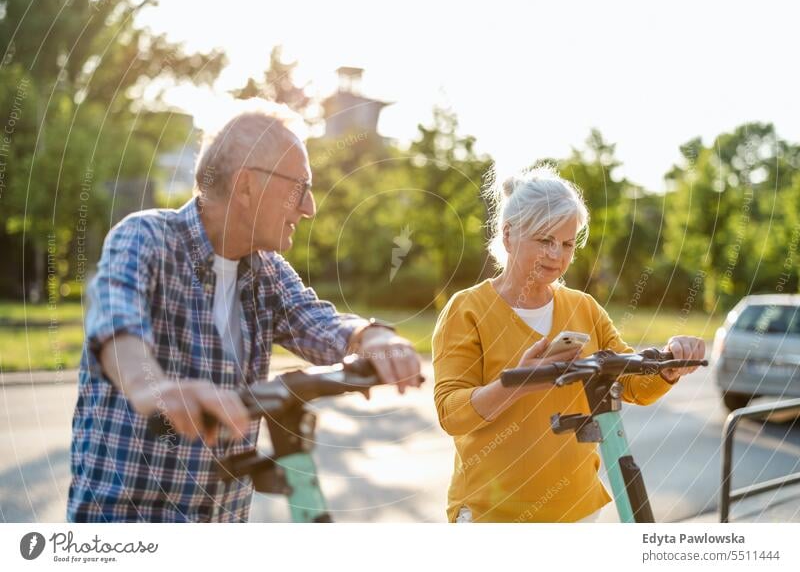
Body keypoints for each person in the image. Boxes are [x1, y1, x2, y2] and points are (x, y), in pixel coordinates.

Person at [68, 101, 423, 522]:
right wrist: (152, 387)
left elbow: (320, 322)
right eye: (301, 187)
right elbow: (116, 319)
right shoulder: (147, 238)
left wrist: (372, 337)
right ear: (248, 186)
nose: (309, 207)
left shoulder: (266, 270)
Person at [432, 165, 705, 523]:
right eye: (545, 240)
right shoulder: (467, 309)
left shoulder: (583, 307)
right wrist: (514, 384)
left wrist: (670, 367)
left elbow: (633, 384)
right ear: (509, 235)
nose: (557, 255)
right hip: (492, 513)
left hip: (577, 511)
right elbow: (452, 414)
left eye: (567, 244)